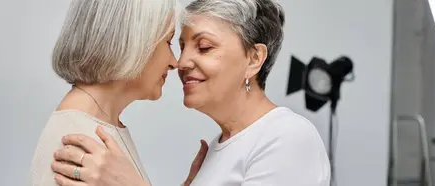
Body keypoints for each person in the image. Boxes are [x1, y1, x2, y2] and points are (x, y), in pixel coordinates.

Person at [50, 0, 331, 186]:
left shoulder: (288, 139)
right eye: (181, 45)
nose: (181, 62)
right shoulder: (219, 148)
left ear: (254, 59)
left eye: (205, 47)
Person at [28, 0, 191, 185]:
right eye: (168, 42)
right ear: (134, 41)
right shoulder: (81, 142)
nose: (174, 62)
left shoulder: (99, 127)